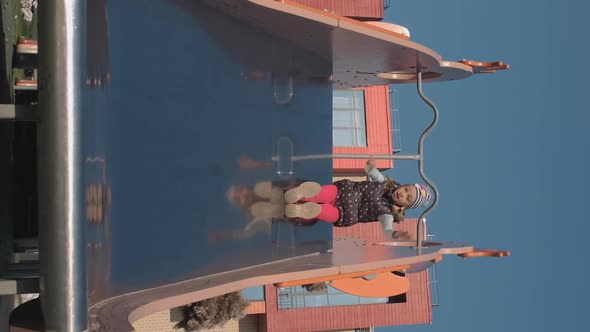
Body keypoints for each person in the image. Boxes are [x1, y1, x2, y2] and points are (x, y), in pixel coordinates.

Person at [283, 158, 432, 238]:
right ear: (404, 185)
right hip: (342, 191)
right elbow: (371, 171)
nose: (403, 193)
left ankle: (305, 210)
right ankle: (303, 193)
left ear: (405, 206)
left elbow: (387, 230)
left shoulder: (387, 215)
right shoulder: (384, 183)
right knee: (322, 193)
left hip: (344, 214)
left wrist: (394, 234)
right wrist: (371, 164)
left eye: (408, 197)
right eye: (406, 189)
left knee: (324, 211)